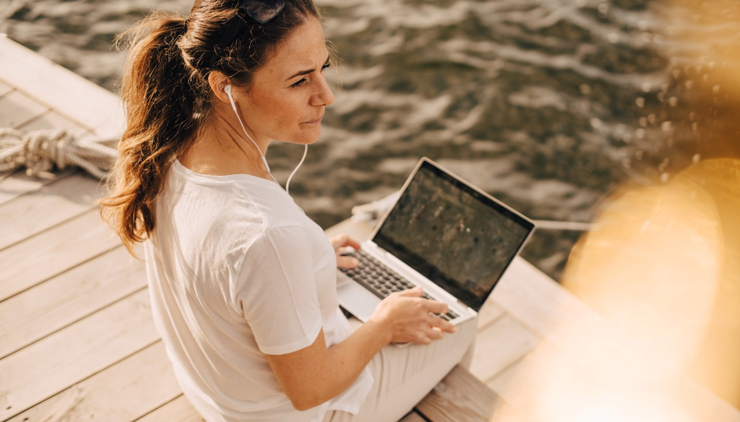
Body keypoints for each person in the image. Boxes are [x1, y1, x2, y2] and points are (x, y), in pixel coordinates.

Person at [99, 0, 477, 421]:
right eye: (299, 81)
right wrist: (384, 325)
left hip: (216, 396)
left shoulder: (166, 151)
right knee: (459, 323)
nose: (326, 96)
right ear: (224, 87)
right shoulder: (268, 235)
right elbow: (310, 390)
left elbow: (229, 267)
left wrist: (309, 262)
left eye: (323, 69)